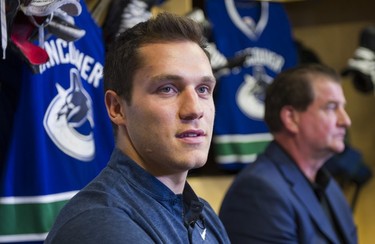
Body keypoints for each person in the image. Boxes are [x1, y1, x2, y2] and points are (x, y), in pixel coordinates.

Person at [45, 12, 230, 244]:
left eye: (203, 89)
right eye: (168, 89)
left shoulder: (204, 215)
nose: (194, 109)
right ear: (117, 108)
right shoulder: (103, 224)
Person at [219, 63, 358, 244]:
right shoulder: (258, 192)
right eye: (331, 107)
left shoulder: (329, 186)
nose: (345, 121)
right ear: (291, 118)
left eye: (343, 107)